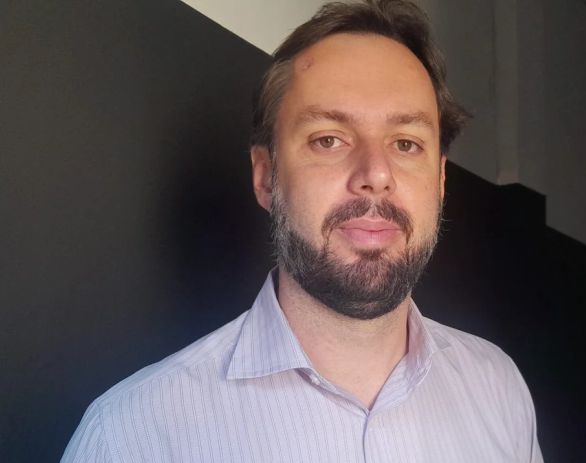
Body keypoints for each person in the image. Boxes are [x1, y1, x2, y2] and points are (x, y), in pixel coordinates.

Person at [62, 1, 543, 461]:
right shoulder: (132, 437)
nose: (377, 173)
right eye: (329, 139)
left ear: (439, 181)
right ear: (265, 177)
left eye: (405, 143)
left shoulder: (497, 388)